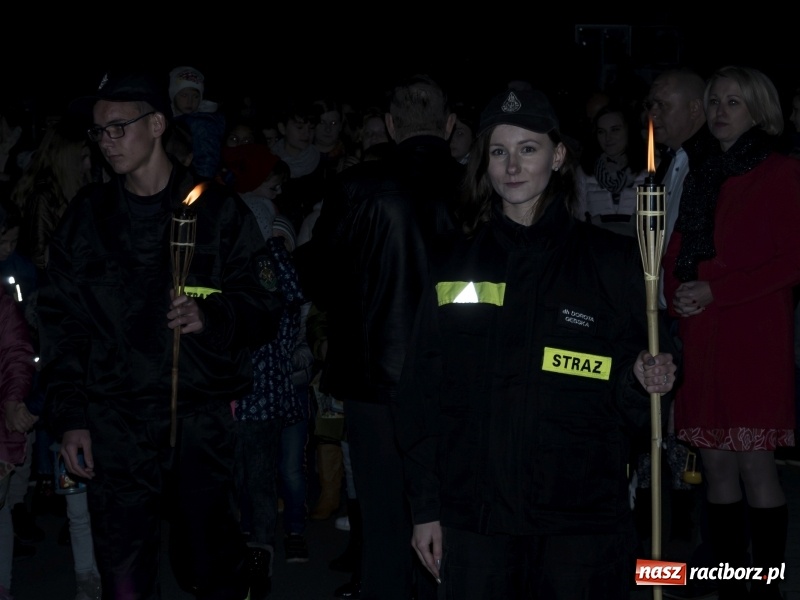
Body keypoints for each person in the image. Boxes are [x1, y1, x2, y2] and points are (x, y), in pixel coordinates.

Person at [393, 88, 678, 600]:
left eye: (528, 148)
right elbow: (420, 392)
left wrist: (642, 379)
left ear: (559, 156)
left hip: (580, 522)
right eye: (499, 151)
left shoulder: (611, 263)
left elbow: (640, 397)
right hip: (476, 518)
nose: (512, 166)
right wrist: (426, 508)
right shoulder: (455, 265)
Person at [36, 69, 283, 600]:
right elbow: (61, 322)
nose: (107, 142)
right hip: (115, 420)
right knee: (123, 569)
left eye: (119, 127)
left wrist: (211, 316)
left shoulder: (216, 209)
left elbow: (266, 304)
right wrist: (72, 417)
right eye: (100, 132)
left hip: (197, 417)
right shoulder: (89, 216)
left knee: (209, 561)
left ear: (156, 125)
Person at [294, 73, 464, 600]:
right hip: (455, 375)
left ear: (391, 126)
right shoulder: (480, 183)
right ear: (450, 124)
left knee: (385, 514)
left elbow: (319, 276)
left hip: (375, 380)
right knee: (448, 509)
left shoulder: (358, 186)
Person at [663, 65, 800, 600]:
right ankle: (732, 584)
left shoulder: (780, 171)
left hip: (751, 335)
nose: (720, 111)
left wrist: (717, 290)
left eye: (733, 103)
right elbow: (678, 248)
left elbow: (791, 260)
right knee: (716, 467)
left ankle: (764, 587)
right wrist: (677, 289)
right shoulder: (702, 171)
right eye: (715, 101)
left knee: (755, 467)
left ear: (759, 111)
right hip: (703, 335)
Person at [0, 200, 35, 600]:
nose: (7, 247)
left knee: (3, 508)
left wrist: (14, 400)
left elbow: (16, 350)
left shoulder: (7, 294)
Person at [575, 102, 647, 237]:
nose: (608, 138)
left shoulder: (648, 170)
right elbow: (579, 219)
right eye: (602, 131)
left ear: (629, 130)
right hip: (597, 248)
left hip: (636, 250)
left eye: (615, 130)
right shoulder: (585, 171)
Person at [167, 66, 226, 181]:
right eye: (184, 95)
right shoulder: (168, 119)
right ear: (173, 95)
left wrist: (200, 184)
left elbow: (207, 161)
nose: (190, 101)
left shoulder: (203, 123)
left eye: (195, 96)